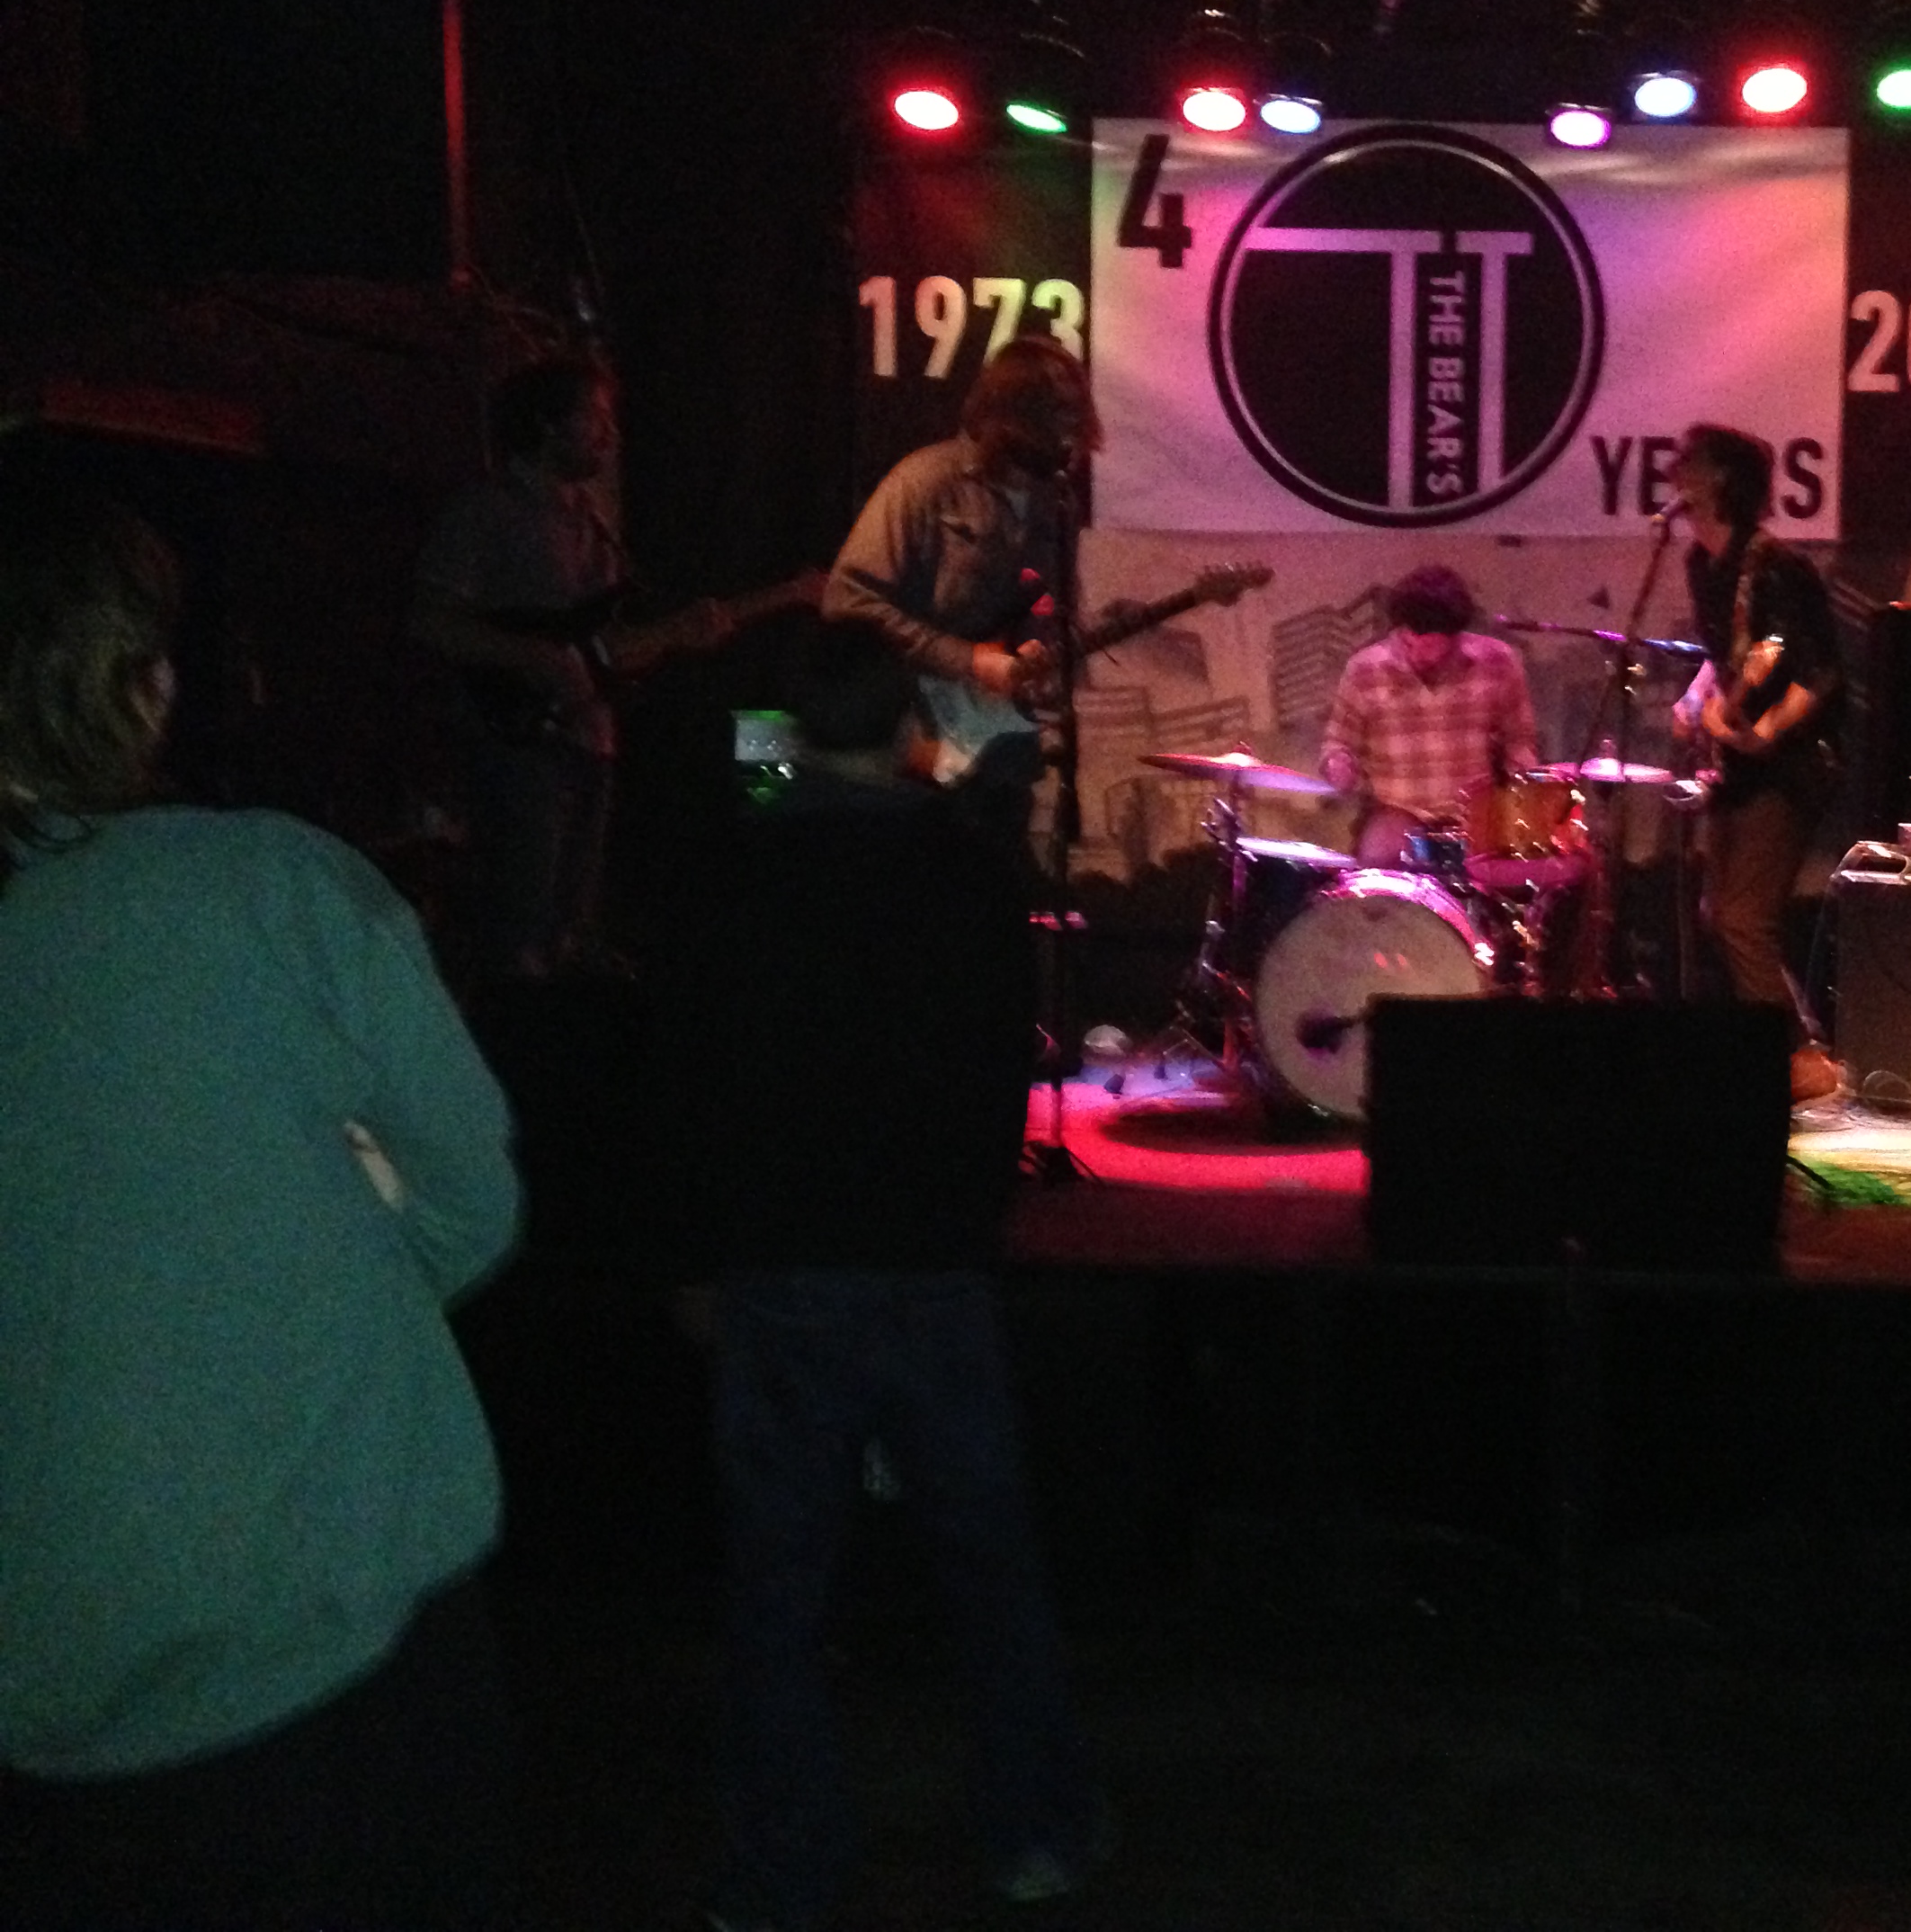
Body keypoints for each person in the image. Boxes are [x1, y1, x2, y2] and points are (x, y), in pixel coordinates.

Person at [0, 479, 522, 1929]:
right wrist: (322, 1229)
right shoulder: (272, 889)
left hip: (51, 1698)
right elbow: (471, 1205)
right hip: (334, 1639)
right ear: (145, 684)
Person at [649, 737, 1104, 1928]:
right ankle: (1034, 1832)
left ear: (789, 738)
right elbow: (1003, 1055)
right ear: (898, 731)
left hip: (790, 1259)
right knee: (988, 1566)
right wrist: (974, 1220)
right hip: (927, 1263)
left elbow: (690, 1069)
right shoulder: (958, 867)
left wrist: (696, 1253)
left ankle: (784, 1870)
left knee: (780, 1585)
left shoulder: (745, 866)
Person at [410, 353, 651, 980]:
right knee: (516, 929)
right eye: (594, 417)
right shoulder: (485, 513)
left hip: (589, 740)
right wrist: (535, 657)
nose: (610, 434)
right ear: (547, 425)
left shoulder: (594, 529)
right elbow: (430, 621)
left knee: (570, 927)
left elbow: (604, 641)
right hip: (515, 745)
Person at [820, 333, 1094, 809]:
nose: (1069, 433)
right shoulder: (925, 483)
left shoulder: (1056, 501)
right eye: (1057, 414)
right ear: (1014, 413)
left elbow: (1047, 604)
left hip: (1000, 758)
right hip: (910, 741)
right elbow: (847, 601)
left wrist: (1040, 648)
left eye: (1075, 414)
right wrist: (969, 660)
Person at [1666, 425, 1847, 1100]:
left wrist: (1766, 729)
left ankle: (1801, 1060)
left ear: (1720, 480)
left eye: (1689, 464)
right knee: (1720, 912)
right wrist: (1697, 701)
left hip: (1791, 766)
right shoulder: (1702, 563)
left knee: (1744, 916)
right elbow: (1731, 656)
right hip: (1740, 768)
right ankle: (1786, 1049)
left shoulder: (1777, 567)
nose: (1674, 473)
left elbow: (1820, 671)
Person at [1317, 562, 1541, 866]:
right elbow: (1338, 742)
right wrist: (1338, 765)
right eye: (1407, 642)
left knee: (1511, 873)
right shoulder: (1365, 669)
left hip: (1475, 813)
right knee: (1379, 870)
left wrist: (1523, 784)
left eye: (1429, 647)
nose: (1415, 654)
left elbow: (1520, 740)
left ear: (1455, 637)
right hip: (1395, 811)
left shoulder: (1498, 662)